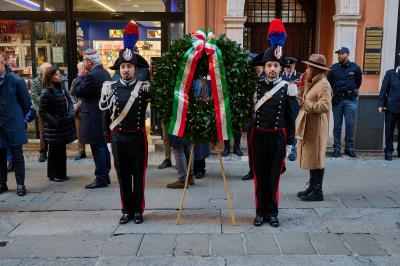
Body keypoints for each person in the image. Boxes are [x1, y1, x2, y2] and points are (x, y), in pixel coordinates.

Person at [100, 21, 150, 224]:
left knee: (138, 176)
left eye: (129, 66)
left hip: (138, 137)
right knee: (122, 176)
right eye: (123, 66)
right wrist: (107, 138)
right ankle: (126, 210)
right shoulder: (109, 88)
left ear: (136, 69)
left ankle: (138, 210)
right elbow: (105, 116)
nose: (126, 70)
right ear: (119, 69)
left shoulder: (145, 87)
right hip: (119, 137)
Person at [250, 41, 297, 226]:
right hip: (259, 136)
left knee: (273, 177)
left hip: (278, 137)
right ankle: (260, 212)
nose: (272, 69)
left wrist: (289, 143)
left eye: (276, 65)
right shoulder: (256, 86)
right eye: (269, 65)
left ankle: (273, 212)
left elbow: (291, 118)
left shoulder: (288, 87)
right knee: (260, 175)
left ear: (280, 68)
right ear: (264, 67)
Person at [296, 54, 333, 201]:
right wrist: (302, 92)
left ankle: (318, 191)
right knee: (312, 156)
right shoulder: (314, 82)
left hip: (317, 126)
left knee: (317, 158)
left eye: (309, 67)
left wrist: (306, 104)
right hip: (310, 124)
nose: (307, 69)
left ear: (316, 69)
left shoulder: (323, 84)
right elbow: (310, 98)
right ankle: (312, 186)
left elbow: (325, 106)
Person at [74, 48, 112, 189]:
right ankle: (105, 175)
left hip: (93, 116)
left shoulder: (92, 76)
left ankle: (101, 177)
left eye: (84, 61)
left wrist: (80, 76)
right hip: (101, 116)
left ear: (89, 61)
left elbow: (78, 91)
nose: (83, 64)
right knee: (102, 146)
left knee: (98, 147)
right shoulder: (104, 72)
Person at [0, 53, 32, 196]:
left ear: (2, 64)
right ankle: (2, 183)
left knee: (17, 155)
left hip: (13, 124)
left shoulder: (16, 81)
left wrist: (17, 117)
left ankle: (20, 184)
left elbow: (26, 104)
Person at [40, 67, 76, 182]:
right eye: (57, 74)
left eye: (59, 74)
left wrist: (70, 113)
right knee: (54, 151)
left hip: (63, 125)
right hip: (54, 127)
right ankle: (54, 174)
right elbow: (43, 111)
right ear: (50, 77)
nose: (60, 76)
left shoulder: (61, 88)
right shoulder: (47, 92)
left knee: (61, 150)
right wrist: (54, 121)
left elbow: (69, 101)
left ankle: (61, 173)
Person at [328, 47, 362, 158]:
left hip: (350, 100)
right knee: (337, 126)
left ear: (347, 54)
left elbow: (358, 82)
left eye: (341, 54)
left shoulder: (355, 68)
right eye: (338, 54)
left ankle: (349, 148)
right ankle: (336, 148)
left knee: (350, 125)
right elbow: (329, 83)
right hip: (337, 100)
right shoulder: (333, 69)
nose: (339, 56)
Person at [242, 63, 265, 181]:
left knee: (261, 148)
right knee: (251, 146)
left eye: (255, 66)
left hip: (264, 119)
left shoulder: (265, 79)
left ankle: (260, 171)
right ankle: (252, 170)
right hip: (252, 117)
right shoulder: (250, 79)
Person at [378, 57, 400, 161]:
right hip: (391, 107)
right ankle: (389, 151)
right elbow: (383, 90)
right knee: (389, 130)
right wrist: (381, 104)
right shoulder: (390, 73)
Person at [31, 62, 52, 162]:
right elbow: (34, 95)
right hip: (41, 110)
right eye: (46, 69)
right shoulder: (36, 81)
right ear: (41, 70)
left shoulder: (53, 79)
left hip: (52, 110)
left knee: (52, 131)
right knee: (43, 131)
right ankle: (43, 152)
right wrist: (45, 103)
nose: (48, 70)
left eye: (49, 68)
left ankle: (52, 151)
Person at [281, 57, 301, 161]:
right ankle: (284, 148)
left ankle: (292, 150)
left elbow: (302, 90)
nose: (288, 69)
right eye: (286, 67)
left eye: (291, 66)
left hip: (294, 106)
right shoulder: (280, 76)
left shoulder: (299, 76)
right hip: (283, 105)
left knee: (293, 126)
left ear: (294, 66)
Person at [69, 62, 87, 161]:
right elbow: (70, 94)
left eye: (84, 67)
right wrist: (75, 103)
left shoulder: (89, 79)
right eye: (81, 68)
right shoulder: (75, 81)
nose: (83, 70)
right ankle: (81, 151)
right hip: (77, 111)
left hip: (86, 109)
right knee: (79, 132)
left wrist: (79, 104)